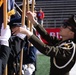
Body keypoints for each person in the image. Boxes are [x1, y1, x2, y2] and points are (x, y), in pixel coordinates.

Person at [12, 11, 76, 75]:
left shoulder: (69, 48)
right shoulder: (63, 42)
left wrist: (28, 33)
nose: (61, 27)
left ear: (71, 33)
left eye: (65, 26)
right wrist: (33, 21)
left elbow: (46, 50)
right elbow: (47, 36)